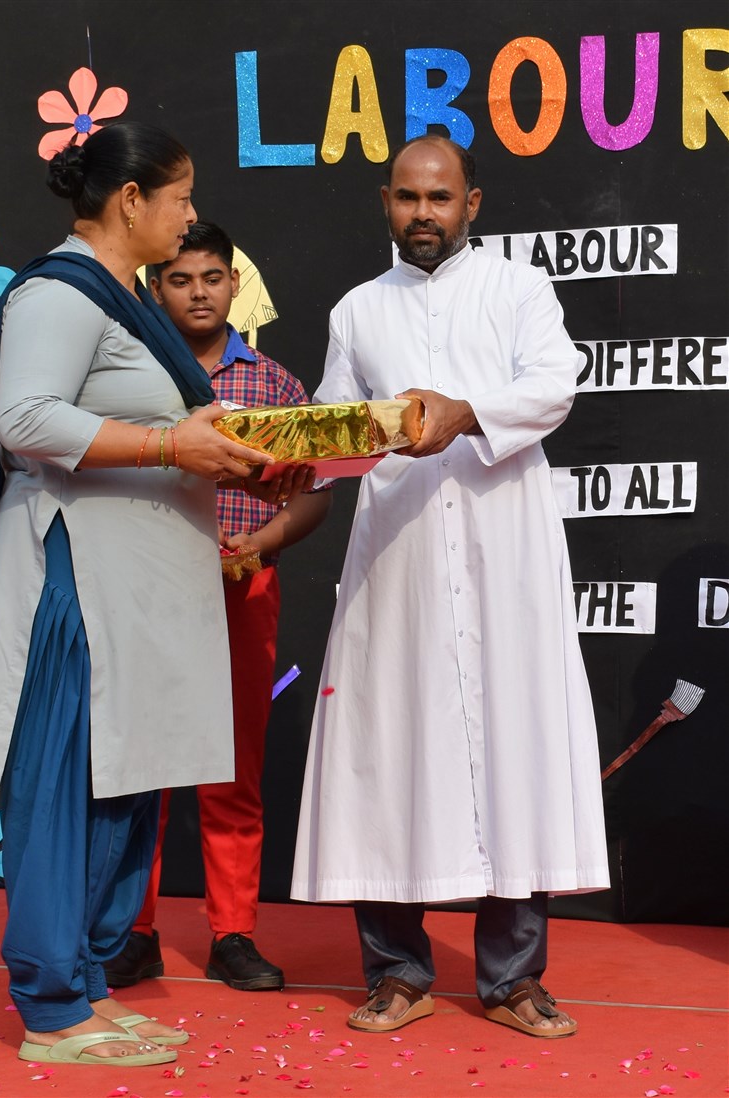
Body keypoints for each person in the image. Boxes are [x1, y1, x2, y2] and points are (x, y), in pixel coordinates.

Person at [0, 121, 295, 1067]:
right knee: (63, 785)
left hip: (137, 593)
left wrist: (257, 453)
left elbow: (161, 426)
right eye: (180, 197)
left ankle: (86, 983)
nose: (189, 214)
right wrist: (177, 444)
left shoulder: (126, 300)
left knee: (121, 787)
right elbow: (25, 418)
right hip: (76, 581)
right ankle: (52, 1008)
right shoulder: (60, 292)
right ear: (130, 201)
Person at [290, 135, 610, 1038]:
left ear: (473, 203)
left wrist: (466, 412)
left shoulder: (519, 289)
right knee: (389, 748)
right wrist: (291, 453)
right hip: (398, 560)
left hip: (504, 553)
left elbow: (554, 386)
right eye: (407, 198)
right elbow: (341, 428)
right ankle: (398, 974)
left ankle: (512, 979)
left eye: (440, 198)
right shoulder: (358, 310)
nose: (422, 213)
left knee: (517, 745)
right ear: (385, 203)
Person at [103, 221, 331, 992]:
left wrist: (260, 543)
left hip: (243, 590)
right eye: (180, 279)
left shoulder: (277, 386)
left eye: (211, 278)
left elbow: (316, 494)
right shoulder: (129, 377)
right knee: (142, 767)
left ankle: (234, 933)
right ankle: (131, 932)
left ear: (235, 284)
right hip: (146, 592)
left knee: (232, 769)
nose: (198, 293)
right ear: (154, 287)